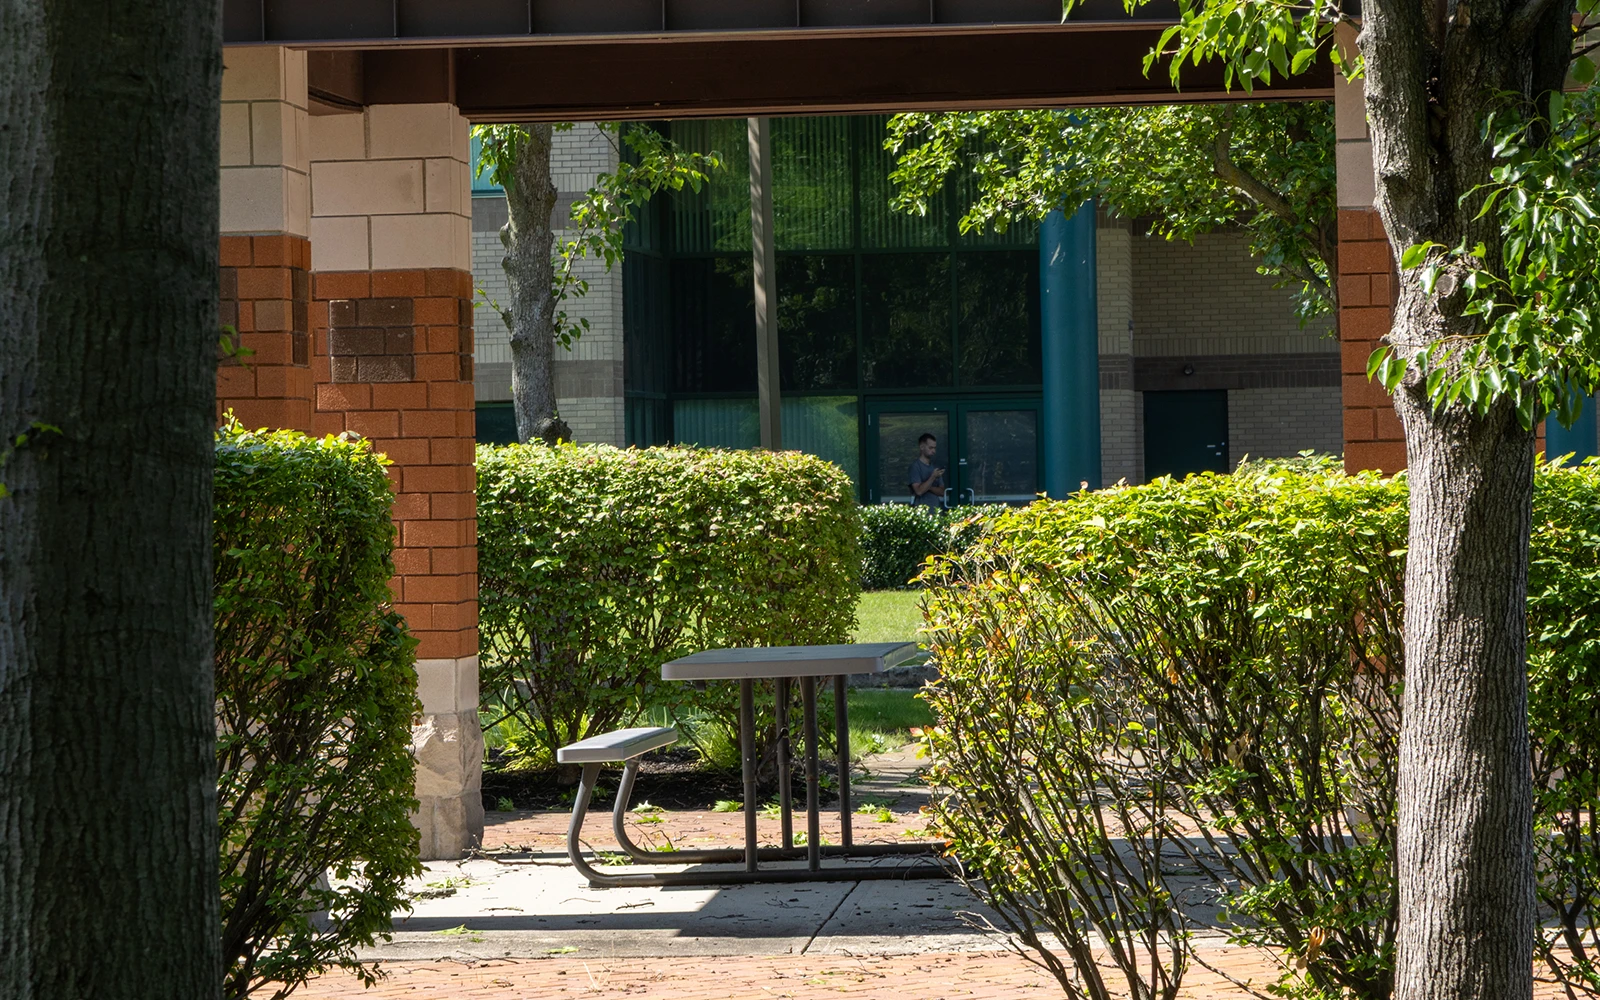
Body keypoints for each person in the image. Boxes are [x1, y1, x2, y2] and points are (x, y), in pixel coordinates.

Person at [908, 433, 947, 508]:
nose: (933, 451)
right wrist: (933, 477)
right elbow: (919, 491)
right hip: (921, 511)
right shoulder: (915, 467)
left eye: (934, 448)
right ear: (922, 447)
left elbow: (942, 492)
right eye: (930, 448)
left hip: (936, 510)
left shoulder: (935, 467)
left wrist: (928, 487)